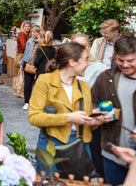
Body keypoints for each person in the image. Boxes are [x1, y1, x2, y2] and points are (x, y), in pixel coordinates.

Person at [28, 42, 102, 174]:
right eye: (86, 60)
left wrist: (94, 120)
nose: (89, 64)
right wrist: (68, 118)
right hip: (51, 143)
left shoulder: (84, 86)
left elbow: (86, 118)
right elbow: (34, 117)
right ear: (72, 62)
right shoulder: (45, 81)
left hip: (79, 146)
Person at [91, 34, 136, 186]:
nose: (125, 65)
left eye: (130, 61)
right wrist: (97, 113)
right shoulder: (105, 78)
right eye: (120, 60)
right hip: (111, 154)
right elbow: (91, 104)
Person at [71, 32, 108, 177]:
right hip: (70, 122)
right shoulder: (64, 67)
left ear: (89, 46)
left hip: (91, 121)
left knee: (93, 162)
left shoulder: (99, 68)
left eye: (84, 46)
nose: (80, 49)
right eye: (76, 46)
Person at [20, 26, 40, 110]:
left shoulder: (41, 42)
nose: (33, 34)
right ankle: (26, 102)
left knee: (37, 84)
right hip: (28, 64)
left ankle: (36, 102)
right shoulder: (29, 41)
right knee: (27, 83)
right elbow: (26, 53)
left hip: (38, 65)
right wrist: (22, 63)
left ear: (39, 33)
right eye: (32, 32)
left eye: (35, 32)